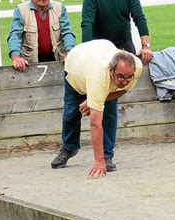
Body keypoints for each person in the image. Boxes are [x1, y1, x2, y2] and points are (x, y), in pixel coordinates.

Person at [77, 0, 154, 172]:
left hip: (123, 47)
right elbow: (87, 23)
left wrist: (145, 45)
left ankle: (107, 155)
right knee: (87, 104)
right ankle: (70, 147)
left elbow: (139, 17)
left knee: (109, 105)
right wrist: (88, 51)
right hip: (100, 51)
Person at [51, 39, 143, 179]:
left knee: (110, 114)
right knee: (71, 114)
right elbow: (95, 124)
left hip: (99, 53)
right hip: (76, 69)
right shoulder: (99, 75)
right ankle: (69, 148)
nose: (125, 81)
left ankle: (107, 156)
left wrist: (95, 100)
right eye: (120, 76)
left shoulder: (136, 67)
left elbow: (123, 90)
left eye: (129, 77)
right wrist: (97, 163)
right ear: (111, 70)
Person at [7, 0, 76, 72]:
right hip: (30, 65)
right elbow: (14, 35)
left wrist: (69, 52)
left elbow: (67, 32)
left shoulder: (59, 8)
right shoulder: (21, 10)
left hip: (57, 61)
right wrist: (16, 57)